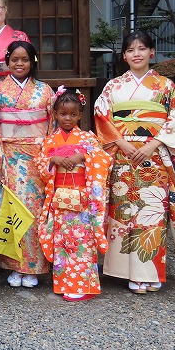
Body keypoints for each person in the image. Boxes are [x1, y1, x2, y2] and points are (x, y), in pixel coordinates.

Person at [94, 30, 175, 295]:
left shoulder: (166, 87)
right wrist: (122, 142)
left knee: (152, 212)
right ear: (124, 56)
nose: (136, 54)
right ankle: (125, 272)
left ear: (152, 53)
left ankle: (149, 272)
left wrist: (153, 144)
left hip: (154, 157)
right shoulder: (113, 86)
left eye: (141, 48)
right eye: (130, 50)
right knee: (123, 212)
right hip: (122, 156)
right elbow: (102, 115)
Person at [0, 40, 53, 288]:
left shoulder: (45, 91)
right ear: (7, 62)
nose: (20, 64)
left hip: (37, 159)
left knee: (35, 210)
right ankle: (12, 265)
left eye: (25, 60)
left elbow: (53, 127)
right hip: (7, 157)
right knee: (8, 209)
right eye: (15, 59)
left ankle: (34, 267)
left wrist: (50, 156)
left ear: (33, 62)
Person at [34, 87, 112, 302]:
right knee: (62, 242)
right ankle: (64, 283)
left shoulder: (88, 139)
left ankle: (82, 284)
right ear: (55, 114)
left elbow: (103, 159)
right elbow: (40, 164)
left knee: (82, 242)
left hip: (82, 198)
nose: (67, 118)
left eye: (72, 114)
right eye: (62, 114)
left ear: (80, 115)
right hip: (59, 198)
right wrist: (53, 160)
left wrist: (83, 157)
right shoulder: (49, 141)